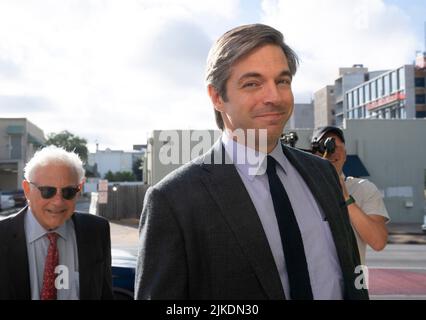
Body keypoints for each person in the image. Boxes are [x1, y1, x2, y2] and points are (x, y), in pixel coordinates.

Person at [135, 24, 368, 300]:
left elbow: (352, 276)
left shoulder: (324, 174)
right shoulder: (174, 200)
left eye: (282, 81)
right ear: (217, 97)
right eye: (252, 83)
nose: (275, 97)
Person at [0, 146, 113, 300]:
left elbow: (104, 293)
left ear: (79, 189)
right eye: (47, 191)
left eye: (68, 192)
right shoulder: (3, 235)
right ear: (27, 189)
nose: (58, 202)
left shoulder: (97, 231)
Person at [311, 126, 389, 265]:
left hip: (351, 282)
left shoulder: (364, 188)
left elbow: (378, 242)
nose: (331, 151)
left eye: (336, 146)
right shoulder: (302, 188)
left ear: (346, 154)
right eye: (326, 146)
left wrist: (346, 199)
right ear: (313, 153)